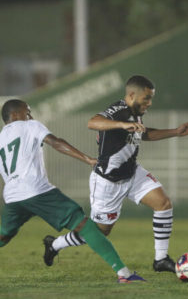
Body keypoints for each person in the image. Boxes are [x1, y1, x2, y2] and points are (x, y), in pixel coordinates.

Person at [45, 75, 188, 273]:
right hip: (108, 181)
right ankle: (54, 244)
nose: (150, 103)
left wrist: (175, 132)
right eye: (147, 98)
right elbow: (93, 122)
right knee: (99, 234)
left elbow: (143, 134)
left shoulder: (134, 112)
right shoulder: (118, 110)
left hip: (132, 173)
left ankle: (160, 259)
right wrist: (122, 125)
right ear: (132, 95)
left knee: (163, 204)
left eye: (151, 98)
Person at [0, 99, 145, 283]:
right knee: (84, 224)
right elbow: (56, 143)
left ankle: (53, 245)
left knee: (4, 235)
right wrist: (87, 159)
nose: (30, 116)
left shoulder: (1, 138)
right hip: (36, 191)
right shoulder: (30, 125)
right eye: (27, 112)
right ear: (15, 115)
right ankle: (125, 274)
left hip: (12, 197)